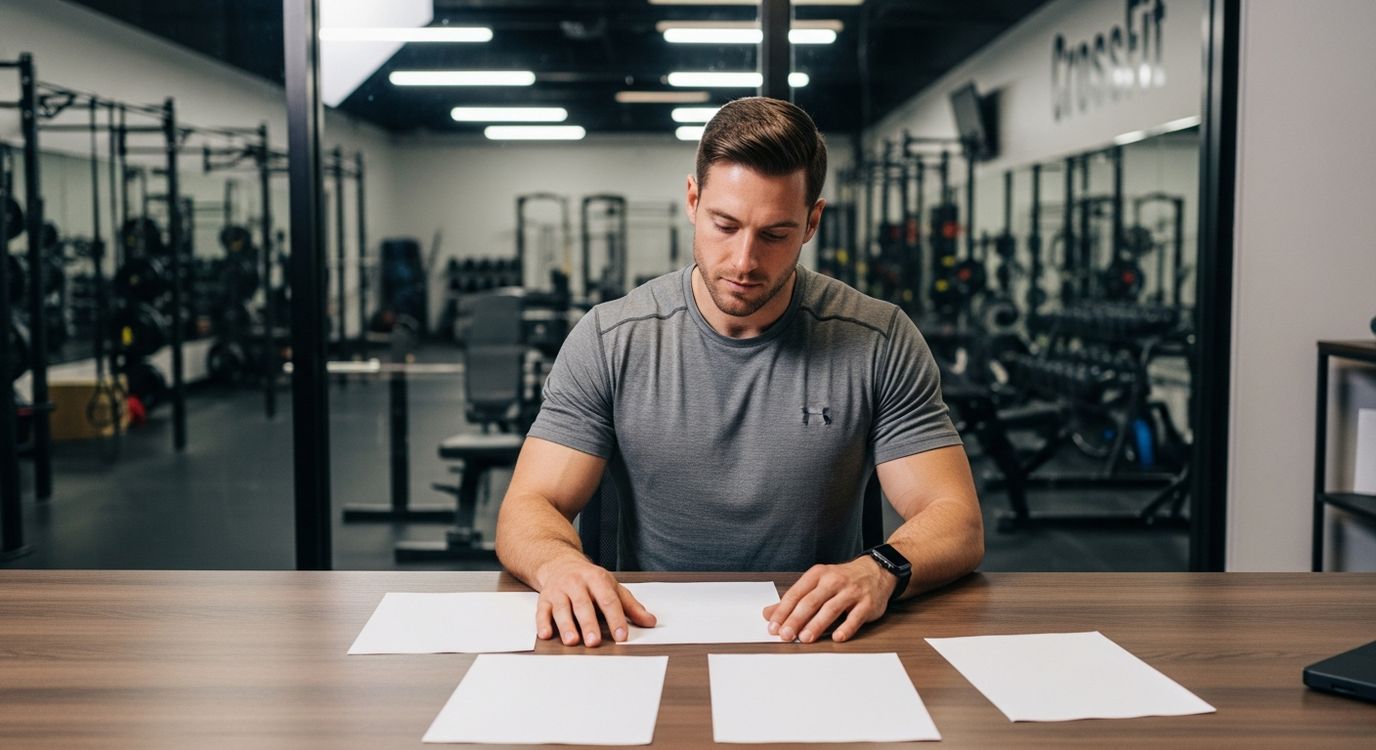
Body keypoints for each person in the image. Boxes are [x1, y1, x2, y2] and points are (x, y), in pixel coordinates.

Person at [495, 96, 982, 648]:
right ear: (692, 200)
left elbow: (955, 518)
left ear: (812, 223)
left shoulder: (878, 339)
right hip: (647, 631)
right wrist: (560, 565)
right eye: (724, 225)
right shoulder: (611, 339)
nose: (745, 261)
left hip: (816, 638)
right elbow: (528, 507)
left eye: (774, 234)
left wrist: (880, 568)